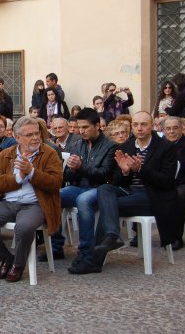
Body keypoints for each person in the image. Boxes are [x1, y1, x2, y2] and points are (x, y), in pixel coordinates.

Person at [0, 116, 63, 282]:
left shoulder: (49, 153)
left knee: (23, 227)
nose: (36, 137)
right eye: (29, 135)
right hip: (8, 203)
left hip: (35, 204)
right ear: (17, 137)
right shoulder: (6, 154)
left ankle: (19, 264)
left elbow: (56, 182)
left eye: (37, 133)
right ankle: (7, 259)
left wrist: (32, 172)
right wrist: (17, 178)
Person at [95, 112, 185, 266]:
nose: (139, 128)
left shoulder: (165, 147)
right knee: (104, 189)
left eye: (143, 124)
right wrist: (124, 171)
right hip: (130, 193)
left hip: (154, 196)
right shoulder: (126, 146)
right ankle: (111, 235)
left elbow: (166, 181)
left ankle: (94, 259)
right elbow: (116, 181)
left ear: (152, 126)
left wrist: (141, 170)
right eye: (135, 125)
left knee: (107, 206)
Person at [48, 109, 117, 274]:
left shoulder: (110, 146)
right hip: (79, 187)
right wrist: (72, 168)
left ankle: (86, 254)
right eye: (79, 128)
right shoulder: (77, 145)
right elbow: (67, 176)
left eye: (85, 127)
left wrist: (81, 167)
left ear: (98, 126)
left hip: (99, 189)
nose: (81, 131)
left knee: (83, 201)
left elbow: (105, 175)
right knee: (53, 196)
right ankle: (56, 246)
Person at [162, 116, 185, 248]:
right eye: (168, 129)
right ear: (163, 131)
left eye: (175, 128)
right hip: (163, 183)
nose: (171, 131)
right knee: (144, 192)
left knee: (176, 195)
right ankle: (139, 233)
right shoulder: (159, 145)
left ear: (182, 129)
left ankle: (175, 237)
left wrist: (173, 158)